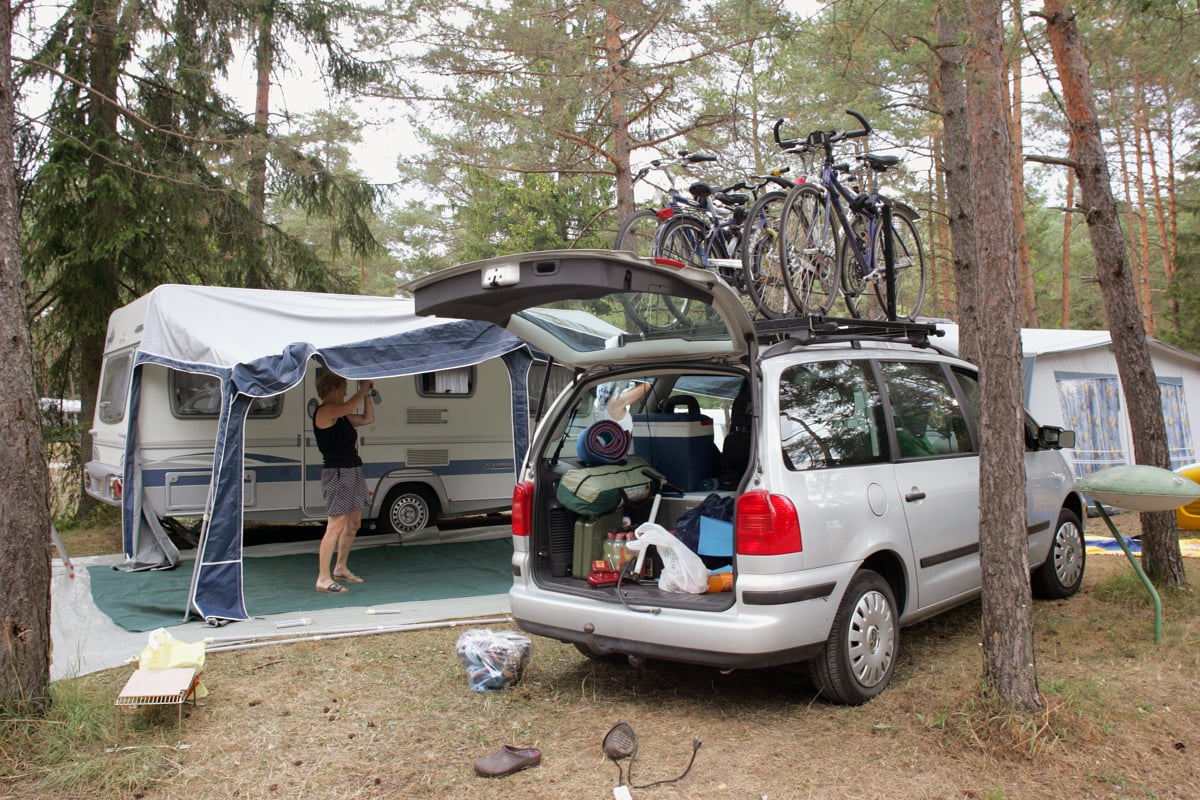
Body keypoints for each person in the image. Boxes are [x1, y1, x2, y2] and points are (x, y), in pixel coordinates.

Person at [312, 372, 375, 593]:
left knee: (354, 523)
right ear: (332, 389)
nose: (345, 393)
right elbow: (350, 406)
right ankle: (323, 578)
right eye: (343, 389)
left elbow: (367, 419)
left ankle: (340, 568)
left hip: (353, 469)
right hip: (337, 472)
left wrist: (367, 394)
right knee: (336, 524)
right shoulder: (325, 411)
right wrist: (363, 387)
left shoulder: (342, 416)